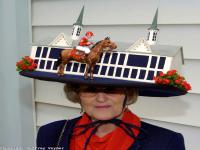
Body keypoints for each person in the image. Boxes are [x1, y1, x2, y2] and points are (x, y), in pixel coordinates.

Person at [36, 84, 186, 150]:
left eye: (112, 89)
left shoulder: (165, 142)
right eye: (90, 90)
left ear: (128, 94)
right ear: (77, 95)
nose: (101, 98)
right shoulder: (51, 134)